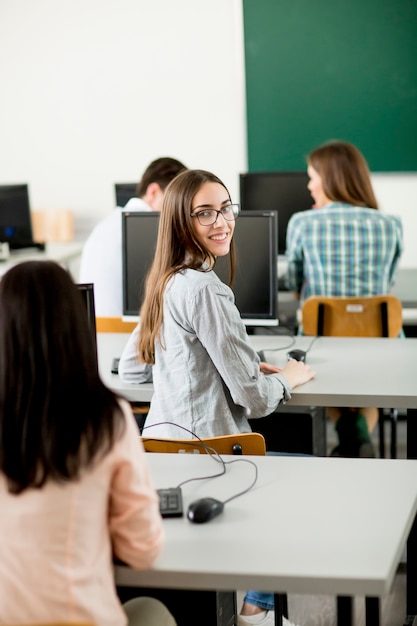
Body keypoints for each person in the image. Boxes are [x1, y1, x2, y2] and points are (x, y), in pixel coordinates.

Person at [118, 169, 316, 626]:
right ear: (181, 222)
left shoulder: (164, 280)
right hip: (214, 452)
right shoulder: (207, 288)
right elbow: (256, 399)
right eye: (205, 212)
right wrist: (287, 376)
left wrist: (196, 365)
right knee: (305, 479)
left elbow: (131, 367)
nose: (222, 221)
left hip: (162, 450)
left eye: (226, 208)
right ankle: (257, 610)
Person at [0, 260, 177, 626]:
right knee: (154, 612)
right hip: (77, 617)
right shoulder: (106, 419)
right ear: (75, 329)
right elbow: (143, 552)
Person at [285, 139, 403, 458]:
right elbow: (387, 285)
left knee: (323, 364)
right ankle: (358, 436)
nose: (309, 185)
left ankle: (346, 433)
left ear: (328, 178)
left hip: (322, 344)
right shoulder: (390, 225)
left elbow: (295, 282)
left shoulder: (302, 223)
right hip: (382, 348)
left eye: (312, 176)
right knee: (365, 384)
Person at [79, 156, 187, 316]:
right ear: (153, 192)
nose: (179, 209)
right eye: (175, 199)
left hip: (96, 333)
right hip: (127, 332)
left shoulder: (105, 225)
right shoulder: (148, 228)